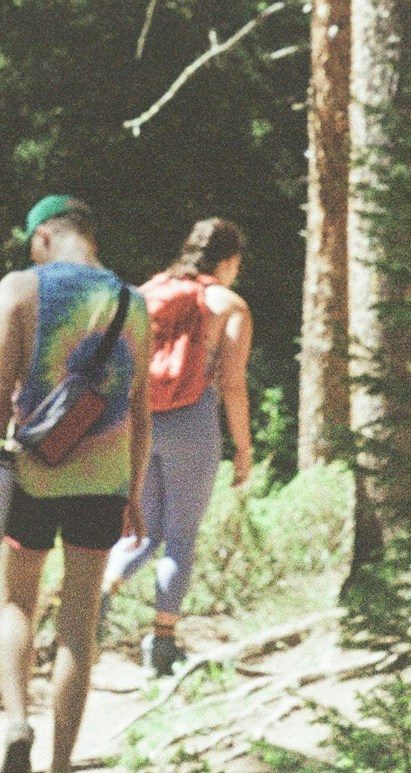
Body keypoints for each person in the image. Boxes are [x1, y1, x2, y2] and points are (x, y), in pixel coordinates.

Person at [0, 196, 150, 773]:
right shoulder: (134, 303)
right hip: (104, 481)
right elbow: (141, 410)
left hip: (33, 477)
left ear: (42, 239)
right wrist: (133, 493)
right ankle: (62, 764)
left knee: (16, 600)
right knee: (79, 620)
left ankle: (18, 725)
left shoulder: (20, 288)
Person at [103, 216, 254, 676]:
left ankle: (96, 599)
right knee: (180, 535)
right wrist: (243, 448)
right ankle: (163, 645)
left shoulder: (146, 293)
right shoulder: (228, 305)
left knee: (139, 531)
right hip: (192, 420)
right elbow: (231, 384)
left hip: (137, 420)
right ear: (228, 261)